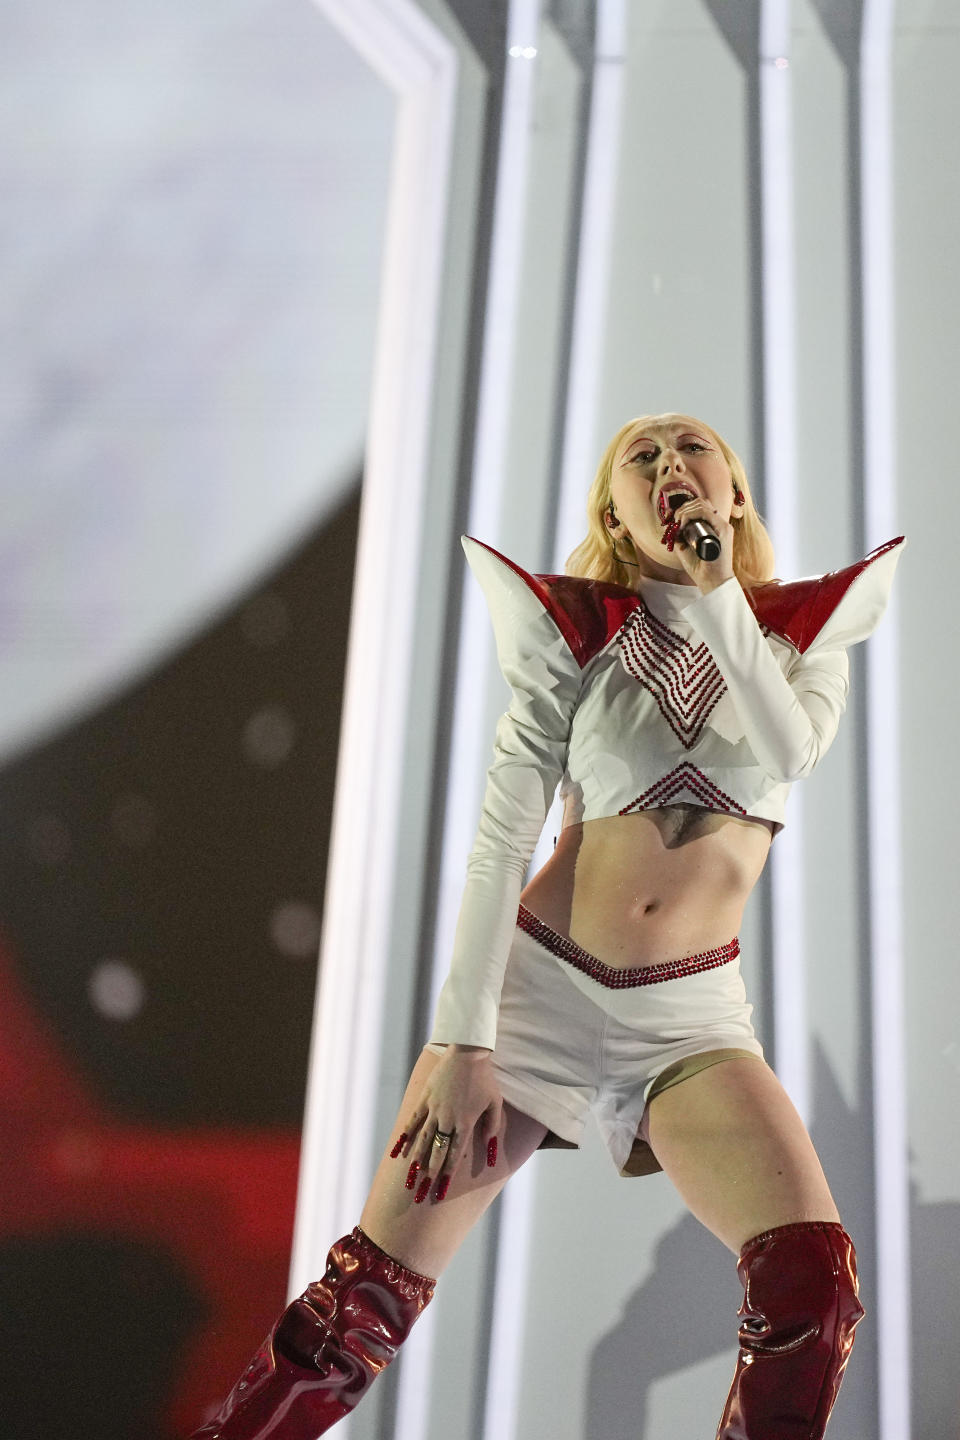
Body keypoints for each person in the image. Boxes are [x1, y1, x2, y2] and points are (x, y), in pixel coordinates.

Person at [191, 413, 905, 1440]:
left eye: (690, 448)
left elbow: (786, 751)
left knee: (812, 1293)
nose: (669, 464)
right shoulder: (577, 632)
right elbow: (501, 841)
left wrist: (716, 592)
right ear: (613, 517)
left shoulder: (808, 633)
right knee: (357, 1314)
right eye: (640, 458)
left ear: (734, 494)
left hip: (692, 1023)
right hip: (539, 994)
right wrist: (461, 1042)